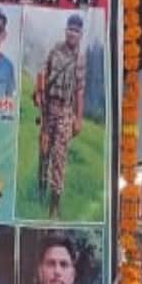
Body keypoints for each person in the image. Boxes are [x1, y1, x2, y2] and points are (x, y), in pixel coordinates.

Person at [33, 13, 87, 218]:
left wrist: (78, 118)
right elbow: (42, 73)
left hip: (65, 112)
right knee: (44, 153)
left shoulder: (80, 60)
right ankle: (40, 192)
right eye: (70, 29)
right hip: (48, 110)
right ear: (66, 31)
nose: (73, 34)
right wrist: (39, 94)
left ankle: (54, 206)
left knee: (59, 158)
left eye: (77, 31)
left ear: (81, 34)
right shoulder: (55, 50)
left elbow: (79, 91)